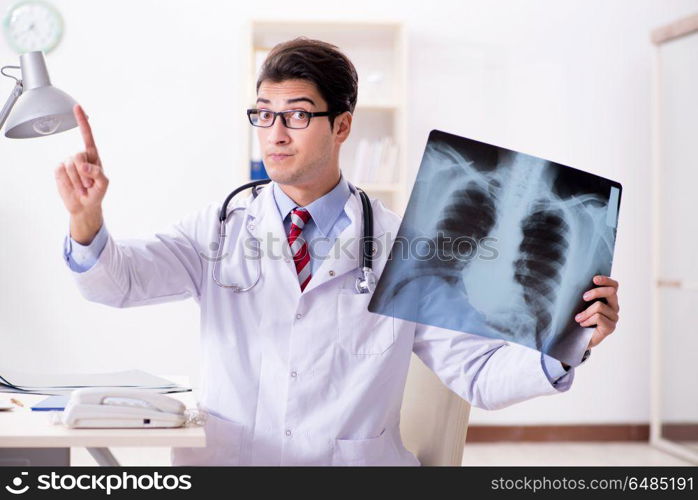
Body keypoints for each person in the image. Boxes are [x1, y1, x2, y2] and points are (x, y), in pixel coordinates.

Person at [54, 38, 620, 466]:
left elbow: (475, 373)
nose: (275, 132)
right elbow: (117, 283)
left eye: (297, 114)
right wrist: (87, 223)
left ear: (342, 124)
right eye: (263, 114)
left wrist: (568, 342)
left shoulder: (406, 244)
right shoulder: (220, 228)